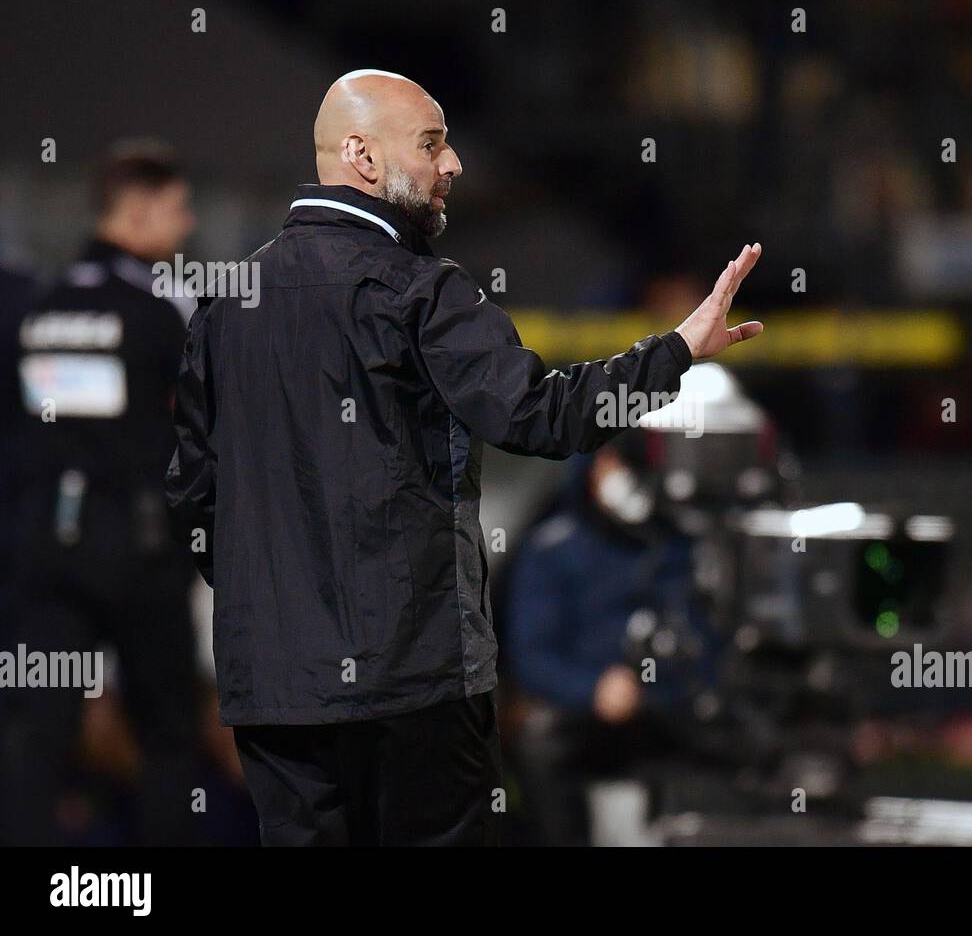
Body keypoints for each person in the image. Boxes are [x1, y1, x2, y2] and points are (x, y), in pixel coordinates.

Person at [164, 68, 763, 846]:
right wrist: (678, 350)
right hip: (416, 685)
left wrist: (278, 607)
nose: (454, 165)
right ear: (363, 156)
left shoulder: (225, 300)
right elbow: (542, 417)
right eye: (431, 143)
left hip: (276, 692)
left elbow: (192, 496)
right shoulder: (419, 289)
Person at [1, 139, 200, 845]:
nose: (187, 224)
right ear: (139, 211)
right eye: (178, 209)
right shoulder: (161, 305)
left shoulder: (41, 303)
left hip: (47, 550)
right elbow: (202, 425)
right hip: (140, 552)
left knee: (39, 734)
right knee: (171, 734)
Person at [506, 436, 723, 845]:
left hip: (668, 710)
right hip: (585, 717)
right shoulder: (553, 550)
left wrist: (666, 687)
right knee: (541, 746)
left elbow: (707, 642)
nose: (622, 477)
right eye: (609, 464)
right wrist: (594, 690)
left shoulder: (679, 549)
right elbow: (532, 656)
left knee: (737, 742)